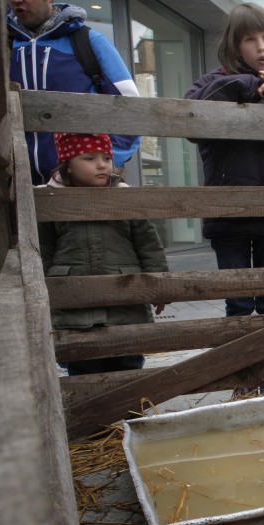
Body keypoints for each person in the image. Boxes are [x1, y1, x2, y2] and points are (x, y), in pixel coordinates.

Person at [184, 2, 264, 320]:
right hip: (230, 214)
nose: (261, 47)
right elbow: (190, 118)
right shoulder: (213, 82)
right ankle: (240, 355)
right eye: (250, 39)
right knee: (238, 305)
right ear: (235, 45)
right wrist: (244, 85)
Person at [38, 133, 168, 375]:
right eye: (89, 158)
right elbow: (44, 251)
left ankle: (131, 400)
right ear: (68, 165)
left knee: (128, 363)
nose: (101, 165)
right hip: (73, 301)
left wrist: (159, 287)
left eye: (107, 158)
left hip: (124, 298)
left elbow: (149, 245)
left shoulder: (125, 198)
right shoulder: (51, 200)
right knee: (82, 366)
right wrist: (44, 290)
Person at [7, 0, 141, 185]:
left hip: (80, 187)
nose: (17, 1)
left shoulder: (88, 41)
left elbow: (134, 110)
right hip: (12, 185)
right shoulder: (3, 47)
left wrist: (101, 162)